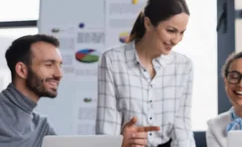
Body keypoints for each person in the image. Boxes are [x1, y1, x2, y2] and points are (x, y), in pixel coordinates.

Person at [0, 34, 157, 147]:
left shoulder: (41, 127)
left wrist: (121, 145)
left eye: (60, 65)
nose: (59, 74)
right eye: (49, 65)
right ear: (22, 70)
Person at [96, 0, 195, 147]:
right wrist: (120, 142)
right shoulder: (113, 60)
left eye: (181, 33)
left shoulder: (183, 66)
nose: (176, 39)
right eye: (170, 31)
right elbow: (106, 130)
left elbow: (182, 128)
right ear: (148, 23)